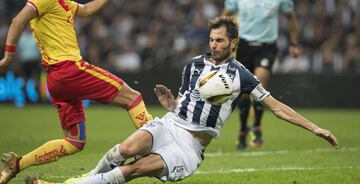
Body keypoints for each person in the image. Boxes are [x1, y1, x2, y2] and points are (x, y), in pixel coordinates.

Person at [30, 16, 338, 184]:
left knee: (133, 170)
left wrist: (315, 128)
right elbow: (184, 104)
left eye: (220, 40)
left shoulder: (241, 75)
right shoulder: (192, 65)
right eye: (211, 39)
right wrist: (171, 104)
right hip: (170, 124)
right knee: (123, 150)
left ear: (232, 43)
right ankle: (85, 180)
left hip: (190, 146)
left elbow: (275, 106)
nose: (213, 44)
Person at [0, 0, 153, 184]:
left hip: (56, 80)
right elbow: (18, 20)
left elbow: (88, 9)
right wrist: (8, 57)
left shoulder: (60, 3)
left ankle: (18, 164)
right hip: (70, 69)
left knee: (74, 142)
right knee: (132, 98)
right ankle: (156, 144)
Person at [221, 0, 299, 149]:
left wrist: (293, 42)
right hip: (244, 46)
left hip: (267, 46)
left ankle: (256, 127)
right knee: (245, 93)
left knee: (259, 85)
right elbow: (224, 16)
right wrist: (223, 39)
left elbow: (291, 18)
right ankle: (242, 130)